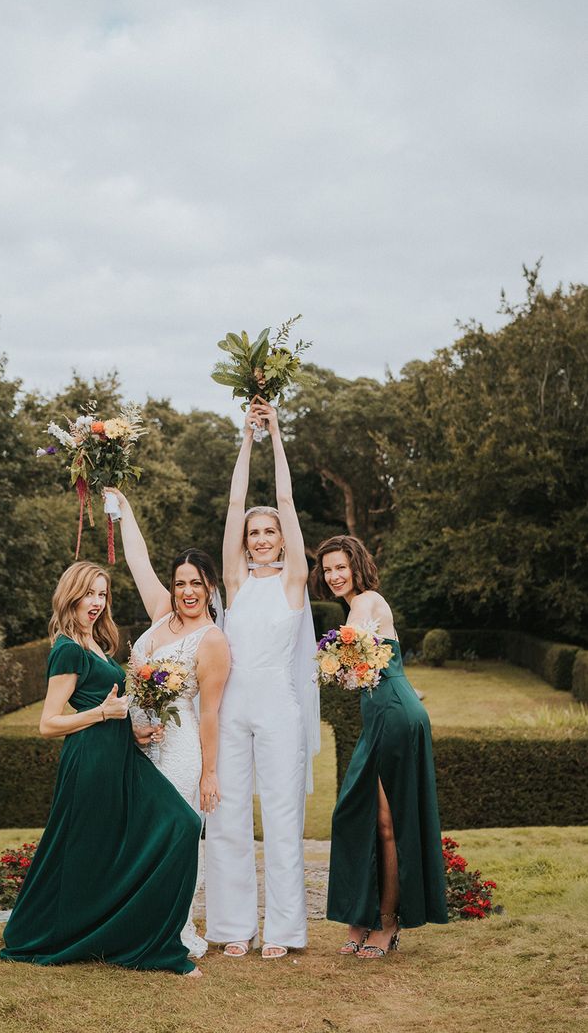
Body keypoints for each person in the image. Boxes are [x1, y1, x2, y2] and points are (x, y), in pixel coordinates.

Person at [0, 560, 202, 976]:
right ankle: (102, 937)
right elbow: (48, 723)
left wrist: (132, 733)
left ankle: (131, 931)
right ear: (71, 596)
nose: (96, 602)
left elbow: (110, 707)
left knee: (179, 824)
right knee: (92, 849)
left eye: (102, 594)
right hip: (90, 761)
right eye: (89, 593)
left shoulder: (97, 643)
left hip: (121, 755)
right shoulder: (68, 649)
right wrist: (103, 714)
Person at [205, 396, 320, 960]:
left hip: (279, 707)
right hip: (232, 707)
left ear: (281, 537)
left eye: (268, 530)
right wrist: (244, 435)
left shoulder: (295, 580)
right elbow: (233, 502)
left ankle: (283, 932)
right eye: (254, 532)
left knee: (280, 817)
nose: (260, 537)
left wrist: (275, 431)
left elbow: (287, 498)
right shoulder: (235, 581)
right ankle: (231, 927)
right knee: (225, 815)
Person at [108, 488, 231, 959]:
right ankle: (134, 923)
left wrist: (209, 773)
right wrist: (125, 509)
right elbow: (138, 561)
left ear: (210, 587)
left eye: (196, 582)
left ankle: (172, 928)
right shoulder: (162, 614)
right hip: (135, 743)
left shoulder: (213, 640)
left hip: (179, 750)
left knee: (175, 838)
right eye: (181, 582)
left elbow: (210, 711)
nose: (187, 591)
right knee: (137, 835)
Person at [312, 534, 448, 958]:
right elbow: (355, 668)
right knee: (356, 813)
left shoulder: (366, 601)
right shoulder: (356, 605)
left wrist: (329, 657)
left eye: (341, 567)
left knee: (387, 823)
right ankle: (362, 915)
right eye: (328, 568)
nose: (334, 575)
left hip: (395, 714)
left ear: (356, 567)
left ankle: (387, 925)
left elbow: (350, 648)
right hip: (380, 716)